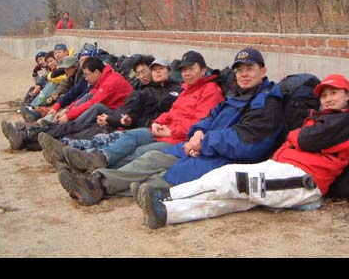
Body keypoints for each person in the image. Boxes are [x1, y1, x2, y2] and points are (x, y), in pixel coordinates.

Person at [56, 47, 285, 208]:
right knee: (151, 158)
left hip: (222, 158)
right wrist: (197, 132)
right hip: (198, 146)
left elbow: (247, 143)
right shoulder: (236, 95)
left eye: (249, 69)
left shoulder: (266, 104)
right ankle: (96, 177)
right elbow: (208, 118)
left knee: (160, 177)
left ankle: (99, 185)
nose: (243, 74)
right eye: (239, 70)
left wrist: (201, 141)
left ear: (263, 71)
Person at [134, 73, 349, 229]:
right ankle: (167, 212)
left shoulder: (348, 120)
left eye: (334, 93)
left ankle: (166, 195)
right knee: (231, 198)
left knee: (230, 179)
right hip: (284, 167)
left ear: (347, 95)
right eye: (324, 95)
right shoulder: (323, 118)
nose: (327, 99)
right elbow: (304, 139)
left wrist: (295, 137)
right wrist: (297, 138)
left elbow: (304, 139)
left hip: (304, 180)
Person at [58, 51, 224, 174]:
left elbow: (201, 123)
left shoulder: (202, 90)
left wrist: (170, 130)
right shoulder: (180, 89)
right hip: (148, 127)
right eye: (184, 70)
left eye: (191, 69)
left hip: (177, 137)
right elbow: (169, 112)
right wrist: (157, 123)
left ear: (203, 70)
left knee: (137, 149)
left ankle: (95, 170)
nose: (186, 73)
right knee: (128, 135)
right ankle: (96, 157)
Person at [39, 56, 183, 167]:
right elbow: (129, 111)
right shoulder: (144, 89)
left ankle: (61, 144)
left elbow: (149, 115)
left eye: (160, 69)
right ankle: (53, 138)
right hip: (125, 120)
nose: (141, 76)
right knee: (93, 125)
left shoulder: (175, 91)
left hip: (137, 126)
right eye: (139, 73)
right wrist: (64, 109)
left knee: (100, 130)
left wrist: (111, 119)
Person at [1, 55, 134, 151]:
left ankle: (28, 134)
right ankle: (25, 138)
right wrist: (67, 110)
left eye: (87, 74)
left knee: (85, 118)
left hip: (115, 120)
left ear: (96, 72)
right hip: (109, 116)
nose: (85, 78)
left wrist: (69, 116)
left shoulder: (110, 82)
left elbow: (92, 103)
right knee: (83, 109)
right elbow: (83, 97)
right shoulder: (101, 79)